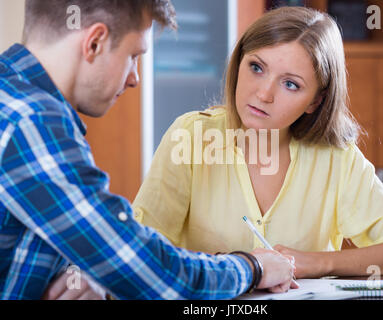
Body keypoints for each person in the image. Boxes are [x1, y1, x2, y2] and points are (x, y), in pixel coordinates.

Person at [0, 0, 296, 300]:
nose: (134, 78)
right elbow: (151, 273)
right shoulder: (34, 121)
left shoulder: (10, 96)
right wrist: (253, 266)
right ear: (95, 42)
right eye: (133, 56)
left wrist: (85, 271)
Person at [132, 6, 383, 280]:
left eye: (291, 84)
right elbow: (139, 251)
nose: (264, 94)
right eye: (256, 67)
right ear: (238, 63)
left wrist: (319, 263)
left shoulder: (336, 158)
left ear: (315, 101)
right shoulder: (191, 136)